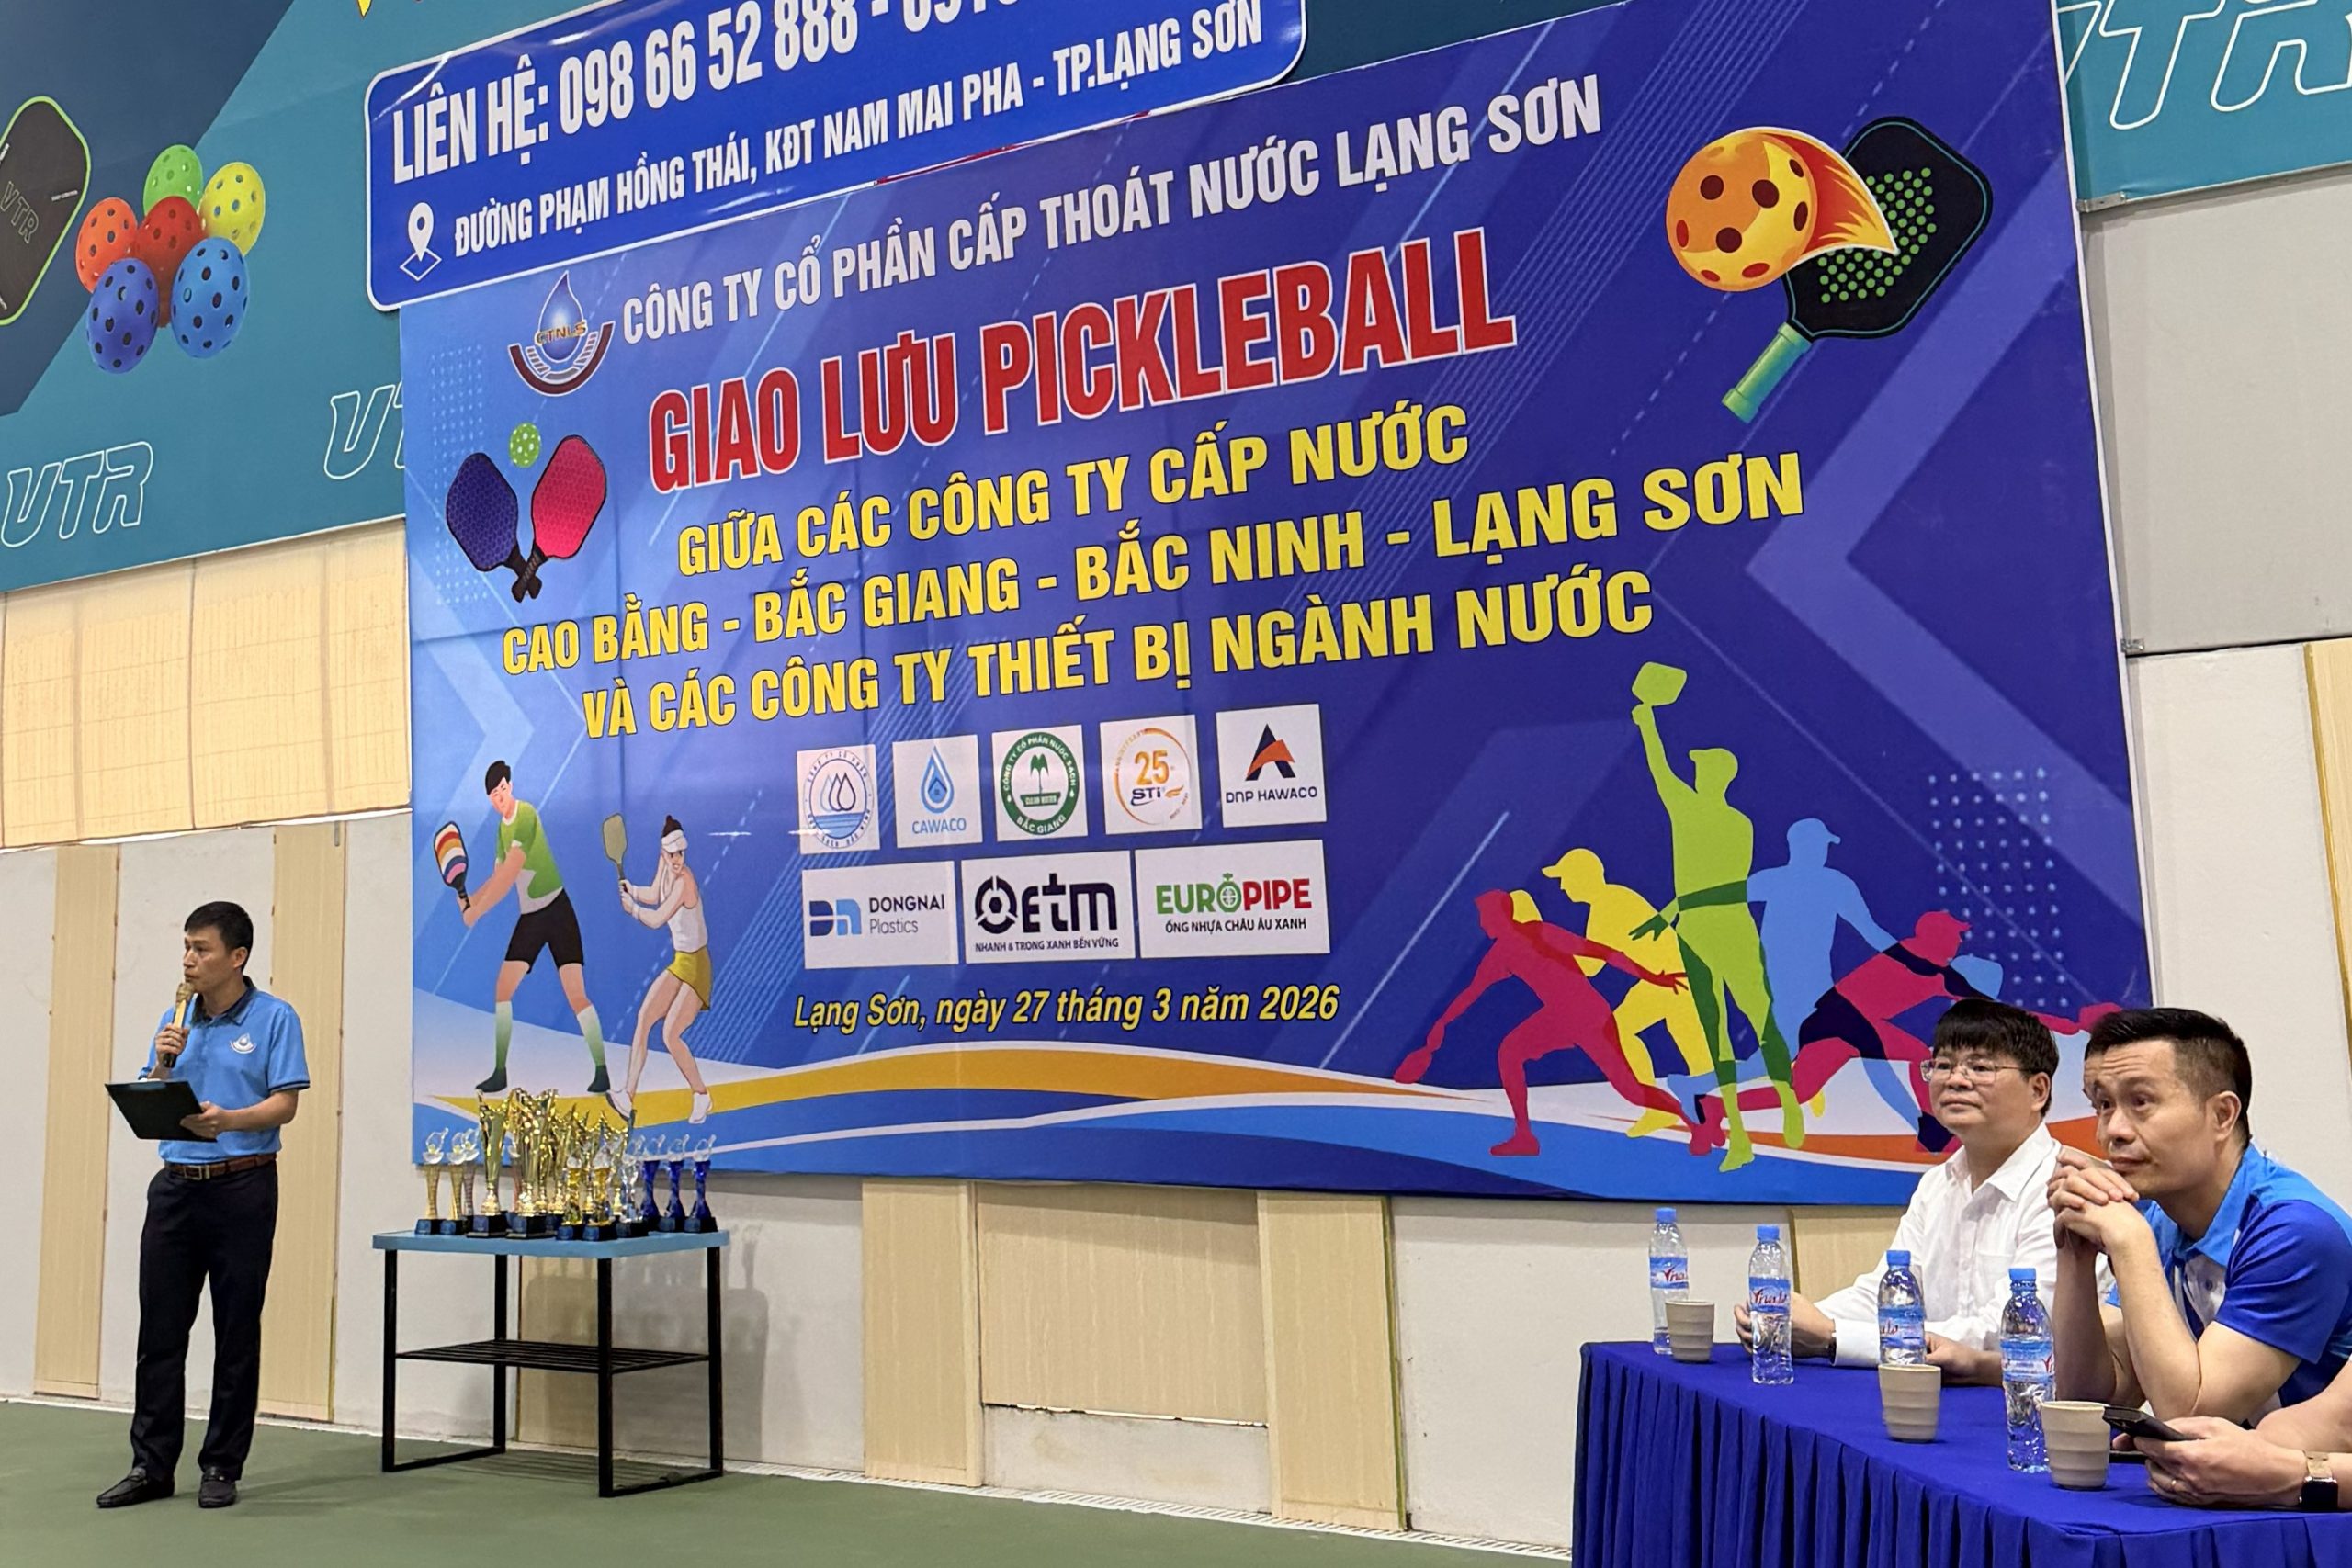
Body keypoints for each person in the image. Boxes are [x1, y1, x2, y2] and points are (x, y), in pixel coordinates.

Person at [1732, 1000, 2081, 1381]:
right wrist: (1792, 1318)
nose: (1955, 1080)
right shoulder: (1937, 1184)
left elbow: (2008, 1333)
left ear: (2038, 1090)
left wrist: (1831, 1335)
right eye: (1943, 1065)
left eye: (1980, 1067)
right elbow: (1888, 1294)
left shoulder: (2064, 1188)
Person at [97, 903, 307, 1512]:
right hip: (175, 1188)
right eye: (186, 947)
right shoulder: (176, 1018)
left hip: (242, 1185)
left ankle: (221, 1464)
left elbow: (286, 1103)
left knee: (235, 1329)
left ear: (237, 956)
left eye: (202, 948)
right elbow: (151, 1091)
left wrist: (230, 1120)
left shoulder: (274, 1018)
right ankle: (150, 1465)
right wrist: (163, 1061)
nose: (189, 960)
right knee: (160, 1331)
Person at [2051, 1007, 2352, 1423]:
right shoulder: (2161, 1217)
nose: (2111, 1131)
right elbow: (2089, 1401)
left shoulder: (2295, 1231)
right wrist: (2075, 1252)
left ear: (2222, 1115)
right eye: (2103, 1104)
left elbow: (2192, 1414)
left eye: (2141, 1102)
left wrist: (2130, 1243)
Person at [1629, 667, 1800, 1168]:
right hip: (1695, 931)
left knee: (1759, 1017)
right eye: (1696, 768)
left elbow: (1732, 886)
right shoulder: (1685, 807)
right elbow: (1658, 766)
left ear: (1717, 777)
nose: (1695, 773)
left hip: (1730, 925)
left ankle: (1788, 1102)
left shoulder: (1733, 822)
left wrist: (1676, 907)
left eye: (1703, 768)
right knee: (1714, 1028)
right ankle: (1738, 1137)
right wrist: (1646, 721)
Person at [1399, 889, 1691, 1156]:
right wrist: (1440, 1026)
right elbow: (1469, 994)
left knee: (1632, 1091)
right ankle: (1524, 1137)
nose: (1482, 923)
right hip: (1560, 1017)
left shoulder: (1540, 932)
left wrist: (1653, 977)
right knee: (1510, 1051)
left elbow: (1602, 952)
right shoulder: (1499, 955)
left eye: (1484, 916)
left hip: (1589, 1014)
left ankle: (1690, 1116)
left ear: (1500, 915)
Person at [463, 760, 609, 1098]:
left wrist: (476, 912)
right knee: (503, 989)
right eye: (493, 795)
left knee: (576, 995)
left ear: (510, 786)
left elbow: (509, 875)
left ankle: (601, 1070)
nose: (500, 798)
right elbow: (496, 876)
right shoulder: (501, 829)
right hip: (531, 917)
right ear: (489, 799)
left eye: (502, 790)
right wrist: (470, 900)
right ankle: (500, 1073)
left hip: (557, 910)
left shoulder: (526, 815)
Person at [1542, 848, 1712, 1138]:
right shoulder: (1610, 901)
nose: (1562, 887)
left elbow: (1591, 966)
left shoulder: (1609, 906)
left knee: (1693, 1053)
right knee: (1637, 1035)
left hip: (1677, 979)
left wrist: (1548, 951)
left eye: (1565, 879)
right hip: (1670, 979)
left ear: (1583, 878)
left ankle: (1690, 1112)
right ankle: (1673, 1111)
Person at [616, 814, 715, 1124]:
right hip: (680, 961)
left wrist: (633, 910)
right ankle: (627, 1096)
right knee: (645, 1017)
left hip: (697, 965)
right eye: (672, 854)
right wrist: (633, 890)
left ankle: (702, 1095)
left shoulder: (686, 881)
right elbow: (654, 894)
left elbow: (658, 917)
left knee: (670, 1034)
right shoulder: (665, 868)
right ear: (663, 853)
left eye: (680, 854)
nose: (676, 860)